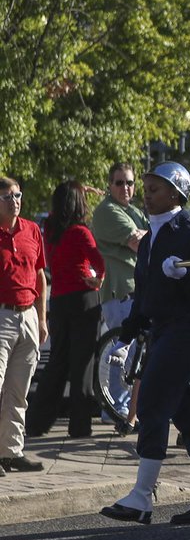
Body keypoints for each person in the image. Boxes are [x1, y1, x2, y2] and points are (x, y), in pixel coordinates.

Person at [100, 162, 190, 525]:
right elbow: (144, 297)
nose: (147, 193)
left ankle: (141, 498)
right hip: (166, 329)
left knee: (153, 400)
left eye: (155, 188)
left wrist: (185, 275)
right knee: (187, 411)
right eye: (147, 187)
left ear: (176, 193)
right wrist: (124, 338)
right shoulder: (150, 239)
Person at [26, 181, 106, 439]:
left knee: (58, 362)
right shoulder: (81, 232)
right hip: (83, 299)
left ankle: (37, 421)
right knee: (82, 363)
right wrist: (99, 278)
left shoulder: (49, 230)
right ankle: (79, 425)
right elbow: (98, 261)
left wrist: (77, 190)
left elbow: (56, 211)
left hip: (59, 300)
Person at [91, 163, 148, 429]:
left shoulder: (133, 211)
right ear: (109, 185)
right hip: (119, 292)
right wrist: (144, 236)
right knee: (122, 351)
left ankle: (127, 407)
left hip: (137, 290)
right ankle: (115, 407)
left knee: (136, 352)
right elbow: (141, 242)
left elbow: (149, 236)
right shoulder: (107, 211)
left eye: (129, 183)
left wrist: (145, 235)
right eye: (119, 183)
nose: (125, 188)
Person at [0, 177, 48, 475]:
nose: (15, 200)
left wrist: (42, 318)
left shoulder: (31, 229)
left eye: (18, 195)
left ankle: (10, 452)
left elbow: (40, 275)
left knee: (19, 390)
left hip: (29, 314)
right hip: (1, 316)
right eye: (6, 196)